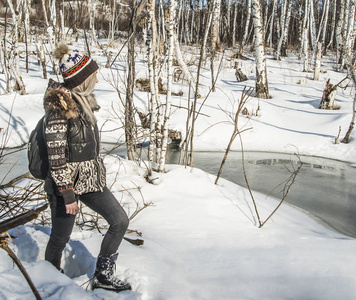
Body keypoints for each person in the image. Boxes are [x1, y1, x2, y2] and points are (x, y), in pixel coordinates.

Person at [43, 44, 131, 292]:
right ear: (81, 79)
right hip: (65, 187)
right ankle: (50, 279)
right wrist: (67, 193)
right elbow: (56, 155)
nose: (96, 78)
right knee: (60, 237)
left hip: (90, 181)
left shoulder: (83, 103)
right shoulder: (59, 109)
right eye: (92, 74)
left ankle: (103, 275)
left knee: (119, 221)